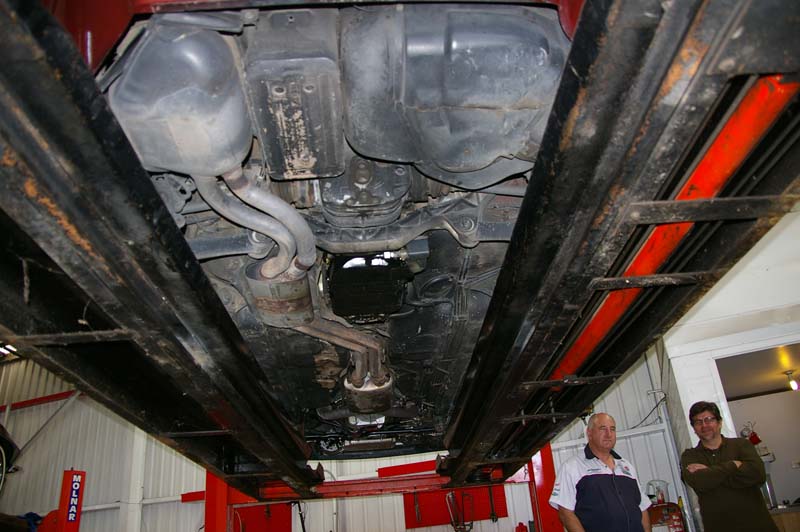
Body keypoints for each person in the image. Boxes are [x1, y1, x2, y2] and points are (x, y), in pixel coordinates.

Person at [680, 400, 778, 532]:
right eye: (698, 422)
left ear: (719, 422)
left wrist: (710, 473)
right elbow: (699, 482)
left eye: (709, 419)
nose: (704, 425)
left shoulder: (741, 445)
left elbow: (758, 475)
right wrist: (733, 465)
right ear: (694, 428)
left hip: (758, 526)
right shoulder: (689, 456)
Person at [549, 413, 652, 532]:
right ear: (589, 433)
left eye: (612, 429)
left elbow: (642, 508)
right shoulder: (572, 467)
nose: (609, 434)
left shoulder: (627, 467)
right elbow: (565, 513)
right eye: (603, 429)